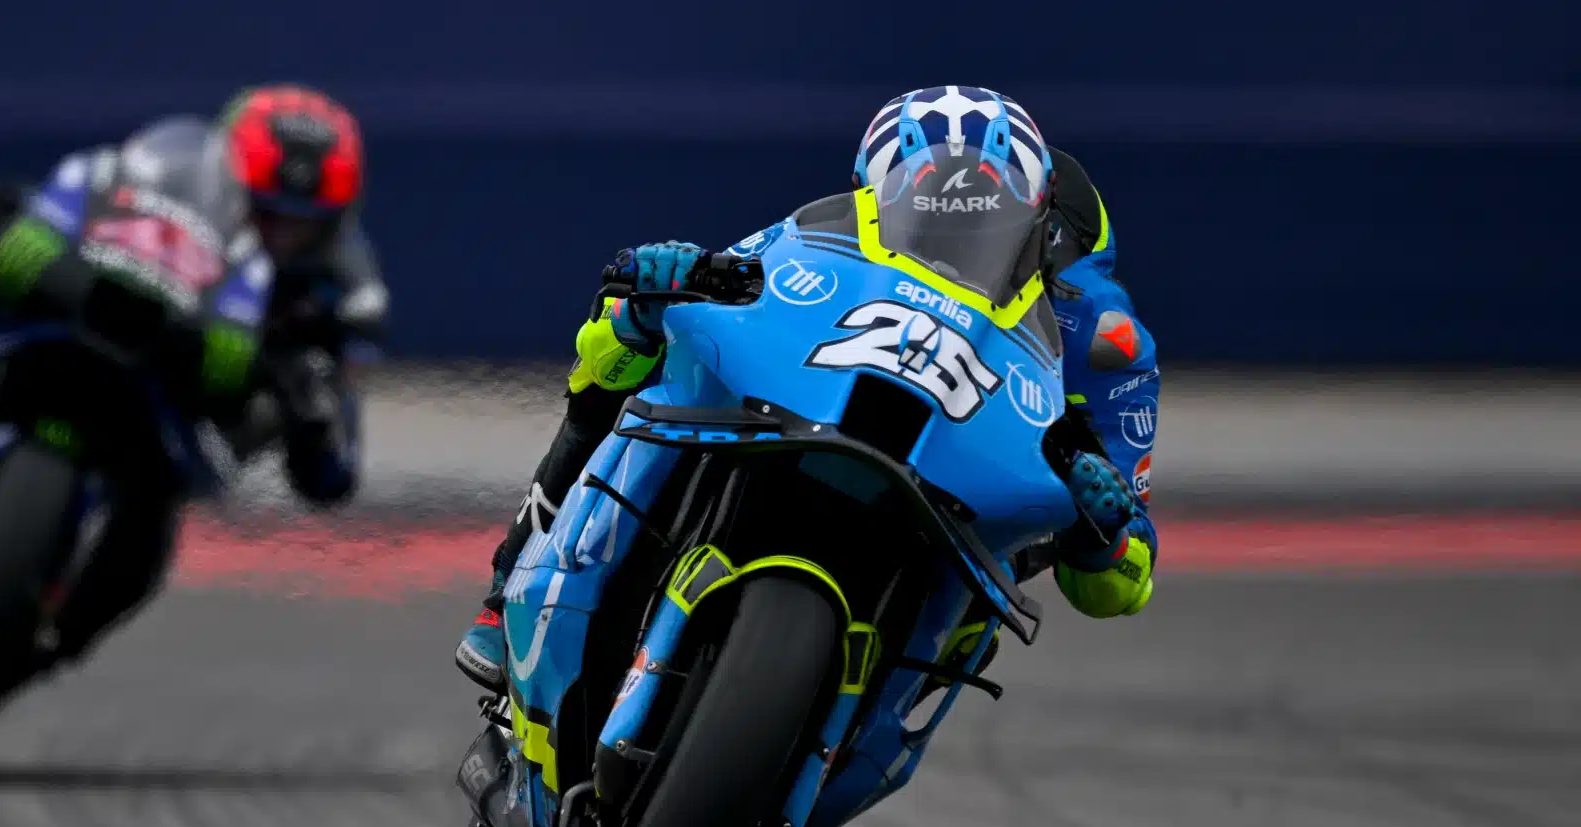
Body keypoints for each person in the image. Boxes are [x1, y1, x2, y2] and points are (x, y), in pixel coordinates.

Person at [455, 85, 1156, 690]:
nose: (950, 244)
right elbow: (613, 349)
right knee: (640, 363)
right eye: (926, 213)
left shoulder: (1098, 331)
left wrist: (1103, 533)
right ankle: (508, 588)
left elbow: (1122, 582)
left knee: (978, 623)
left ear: (1036, 217)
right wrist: (647, 309)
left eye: (983, 217)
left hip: (959, 537)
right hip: (817, 430)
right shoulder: (831, 238)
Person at [0, 85, 386, 658]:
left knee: (149, 528)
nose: (277, 234)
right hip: (65, 333)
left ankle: (54, 640)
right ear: (224, 181)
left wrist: (309, 406)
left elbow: (333, 473)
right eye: (263, 212)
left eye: (297, 225)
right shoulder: (146, 177)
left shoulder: (346, 295)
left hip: (173, 415)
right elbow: (56, 202)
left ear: (332, 226)